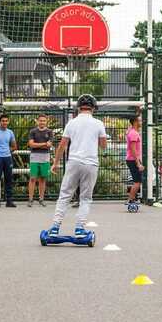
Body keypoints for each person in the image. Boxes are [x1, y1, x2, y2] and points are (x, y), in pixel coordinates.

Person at [47, 94, 107, 237]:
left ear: (78, 108)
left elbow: (62, 145)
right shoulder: (98, 123)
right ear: (93, 108)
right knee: (85, 198)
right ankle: (80, 228)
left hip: (74, 162)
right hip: (91, 163)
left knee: (65, 195)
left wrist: (55, 163)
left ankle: (55, 227)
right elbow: (104, 146)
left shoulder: (71, 123)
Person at [28, 114, 53, 207]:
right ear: (37, 121)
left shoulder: (49, 132)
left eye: (44, 120)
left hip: (45, 157)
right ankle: (30, 199)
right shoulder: (33, 131)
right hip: (34, 157)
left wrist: (37, 144)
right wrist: (44, 144)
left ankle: (41, 199)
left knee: (43, 179)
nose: (42, 122)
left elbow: (49, 145)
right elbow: (31, 145)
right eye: (40, 120)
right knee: (33, 178)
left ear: (46, 121)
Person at [126, 115, 144, 204]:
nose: (141, 122)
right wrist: (138, 163)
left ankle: (132, 199)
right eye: (140, 121)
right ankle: (130, 200)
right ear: (135, 122)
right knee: (137, 181)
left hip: (133, 159)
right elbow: (133, 149)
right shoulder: (133, 133)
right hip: (133, 160)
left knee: (138, 181)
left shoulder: (133, 132)